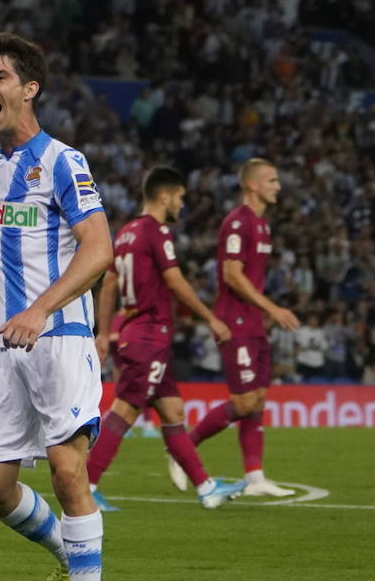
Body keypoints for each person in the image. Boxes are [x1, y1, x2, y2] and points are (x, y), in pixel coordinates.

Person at [0, 32, 114, 581]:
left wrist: (40, 309)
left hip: (58, 337)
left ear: (29, 89)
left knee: (66, 469)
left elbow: (99, 248)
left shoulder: (63, 162)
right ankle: (63, 553)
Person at [87, 167, 245, 508]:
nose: (182, 204)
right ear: (164, 196)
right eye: (180, 197)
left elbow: (109, 283)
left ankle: (205, 488)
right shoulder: (156, 231)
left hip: (135, 333)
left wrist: (104, 332)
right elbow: (175, 282)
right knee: (124, 411)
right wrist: (211, 319)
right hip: (149, 334)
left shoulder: (126, 232)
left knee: (173, 410)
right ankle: (85, 487)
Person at [173, 158, 300, 496]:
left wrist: (266, 312)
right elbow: (232, 274)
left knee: (257, 400)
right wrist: (272, 307)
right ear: (253, 185)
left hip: (255, 322)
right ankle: (183, 447)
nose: (278, 186)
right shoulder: (237, 223)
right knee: (243, 403)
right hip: (235, 322)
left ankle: (255, 478)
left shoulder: (262, 225)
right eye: (272, 180)